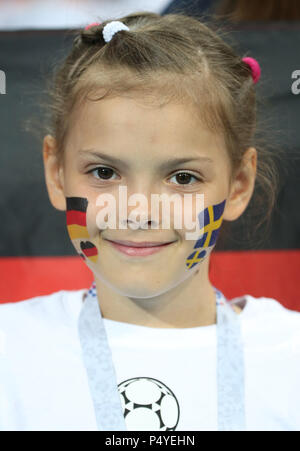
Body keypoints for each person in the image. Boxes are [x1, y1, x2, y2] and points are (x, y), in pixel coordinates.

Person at [0, 12, 299, 432]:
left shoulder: (290, 359)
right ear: (56, 173)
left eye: (182, 178)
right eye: (105, 173)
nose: (138, 211)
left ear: (237, 185)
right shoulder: (9, 351)